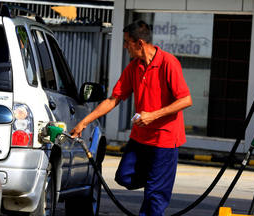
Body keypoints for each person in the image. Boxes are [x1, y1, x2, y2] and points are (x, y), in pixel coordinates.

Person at [70, 20, 192, 216]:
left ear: (140, 43)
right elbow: (113, 99)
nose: (125, 46)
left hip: (165, 139)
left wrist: (153, 115)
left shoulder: (168, 63)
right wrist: (83, 122)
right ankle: (157, 181)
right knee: (124, 177)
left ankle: (157, 188)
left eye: (127, 42)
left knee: (154, 196)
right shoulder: (134, 67)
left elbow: (186, 100)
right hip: (141, 138)